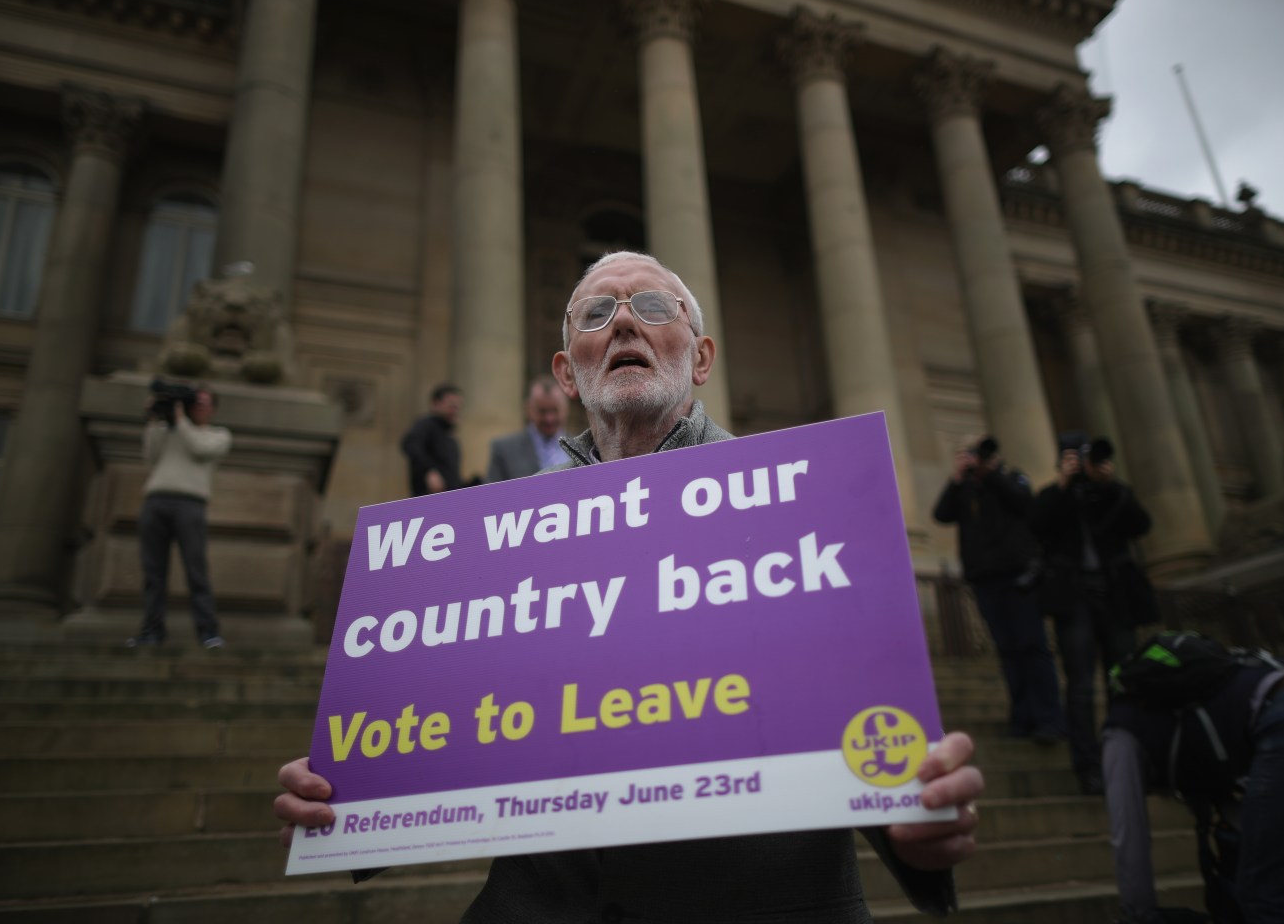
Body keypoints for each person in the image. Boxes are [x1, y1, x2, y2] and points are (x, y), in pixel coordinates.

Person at [275, 251, 984, 921]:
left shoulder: (801, 504)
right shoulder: (491, 537)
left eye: (651, 305)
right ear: (565, 373)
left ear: (701, 358)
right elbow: (436, 723)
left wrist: (915, 825)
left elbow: (865, 723)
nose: (620, 322)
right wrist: (341, 801)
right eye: (594, 314)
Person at [1103, 652, 1284, 923]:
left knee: (1274, 899)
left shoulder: (1120, 731)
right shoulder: (1216, 691)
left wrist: (1139, 911)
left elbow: (1128, 828)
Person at [1029, 433, 1154, 795]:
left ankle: (1130, 759)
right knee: (1081, 686)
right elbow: (1036, 526)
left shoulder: (1112, 494)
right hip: (1074, 599)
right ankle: (1088, 765)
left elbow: (1140, 526)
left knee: (1124, 680)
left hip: (1116, 597)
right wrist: (1065, 485)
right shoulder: (1056, 496)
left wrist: (1111, 486)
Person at [933, 435, 1062, 744]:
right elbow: (942, 514)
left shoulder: (1010, 477)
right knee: (1007, 649)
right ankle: (1022, 717)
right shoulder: (965, 487)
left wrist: (991, 473)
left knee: (1032, 646)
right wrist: (956, 479)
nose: (974, 458)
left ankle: (1049, 719)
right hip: (985, 578)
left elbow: (1024, 503)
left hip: (1019, 576)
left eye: (978, 452)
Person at [127, 385, 232, 649]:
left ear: (213, 409)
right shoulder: (170, 431)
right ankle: (152, 631)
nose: (198, 407)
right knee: (153, 572)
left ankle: (208, 632)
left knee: (196, 570)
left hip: (190, 504)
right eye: (195, 402)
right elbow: (150, 456)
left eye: (204, 403)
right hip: (156, 500)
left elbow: (199, 448)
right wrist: (155, 421)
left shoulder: (217, 435)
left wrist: (181, 420)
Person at [486, 376, 570, 482]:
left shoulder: (584, 448)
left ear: (566, 408)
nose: (549, 418)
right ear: (528, 409)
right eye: (542, 411)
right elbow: (491, 495)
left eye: (555, 410)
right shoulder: (504, 450)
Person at [401, 383, 462, 496]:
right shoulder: (426, 425)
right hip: (427, 499)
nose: (455, 411)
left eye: (457, 407)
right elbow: (410, 445)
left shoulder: (450, 437)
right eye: (451, 406)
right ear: (436, 404)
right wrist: (430, 471)